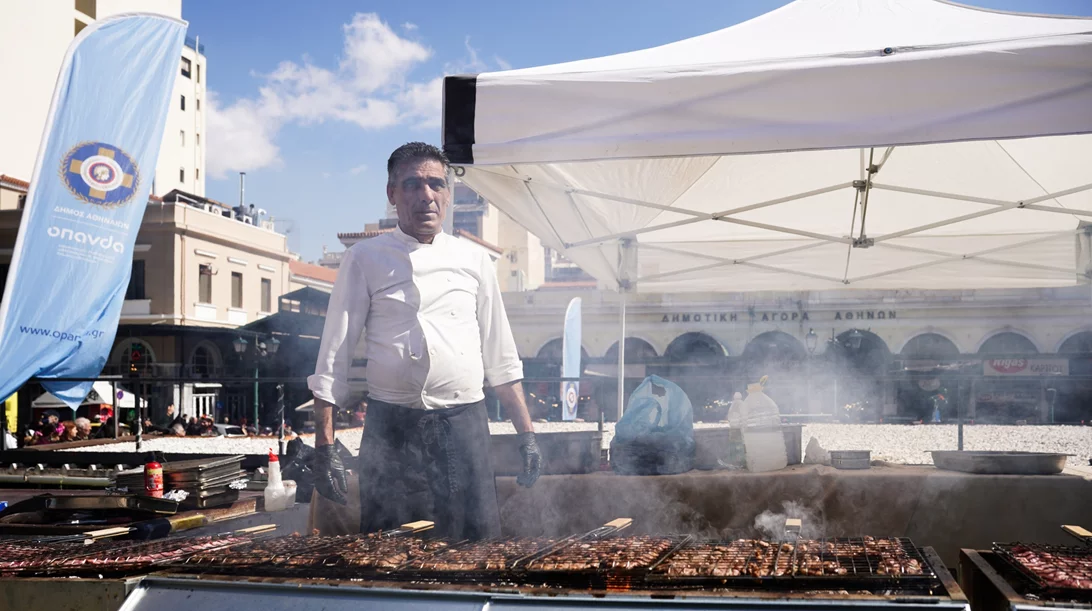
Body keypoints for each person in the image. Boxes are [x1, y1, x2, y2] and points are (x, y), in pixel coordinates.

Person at [308, 142, 541, 541]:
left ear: (448, 195)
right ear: (392, 194)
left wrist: (528, 436)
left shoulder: (475, 261)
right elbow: (334, 357)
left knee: (474, 551)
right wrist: (324, 446)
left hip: (465, 428)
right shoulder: (365, 258)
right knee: (391, 557)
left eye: (436, 184)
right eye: (413, 184)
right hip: (392, 432)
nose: (426, 195)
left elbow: (501, 359)